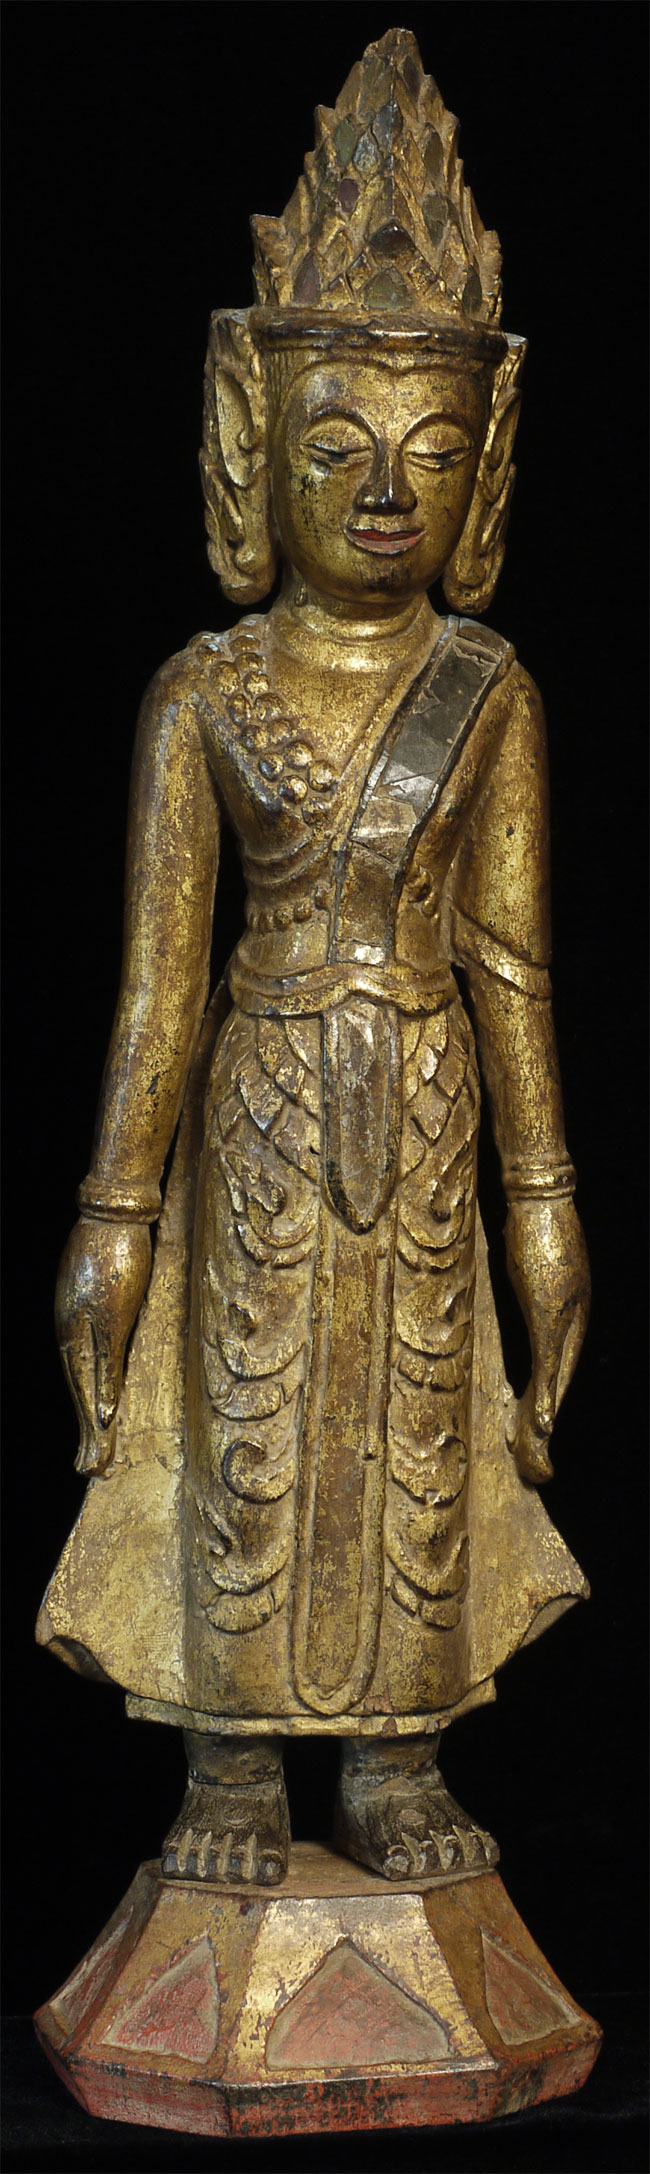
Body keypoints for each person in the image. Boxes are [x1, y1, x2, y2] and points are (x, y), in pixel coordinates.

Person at [38, 28, 589, 1888]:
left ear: (483, 470)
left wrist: (542, 1197)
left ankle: (394, 1756)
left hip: (426, 1103)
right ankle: (225, 1771)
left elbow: (510, 964)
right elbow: (154, 987)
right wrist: (113, 1214)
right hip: (260, 1106)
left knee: (415, 1407)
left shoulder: (488, 692)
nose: (381, 492)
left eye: (430, 455)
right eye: (334, 448)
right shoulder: (203, 692)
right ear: (249, 450)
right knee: (250, 1416)